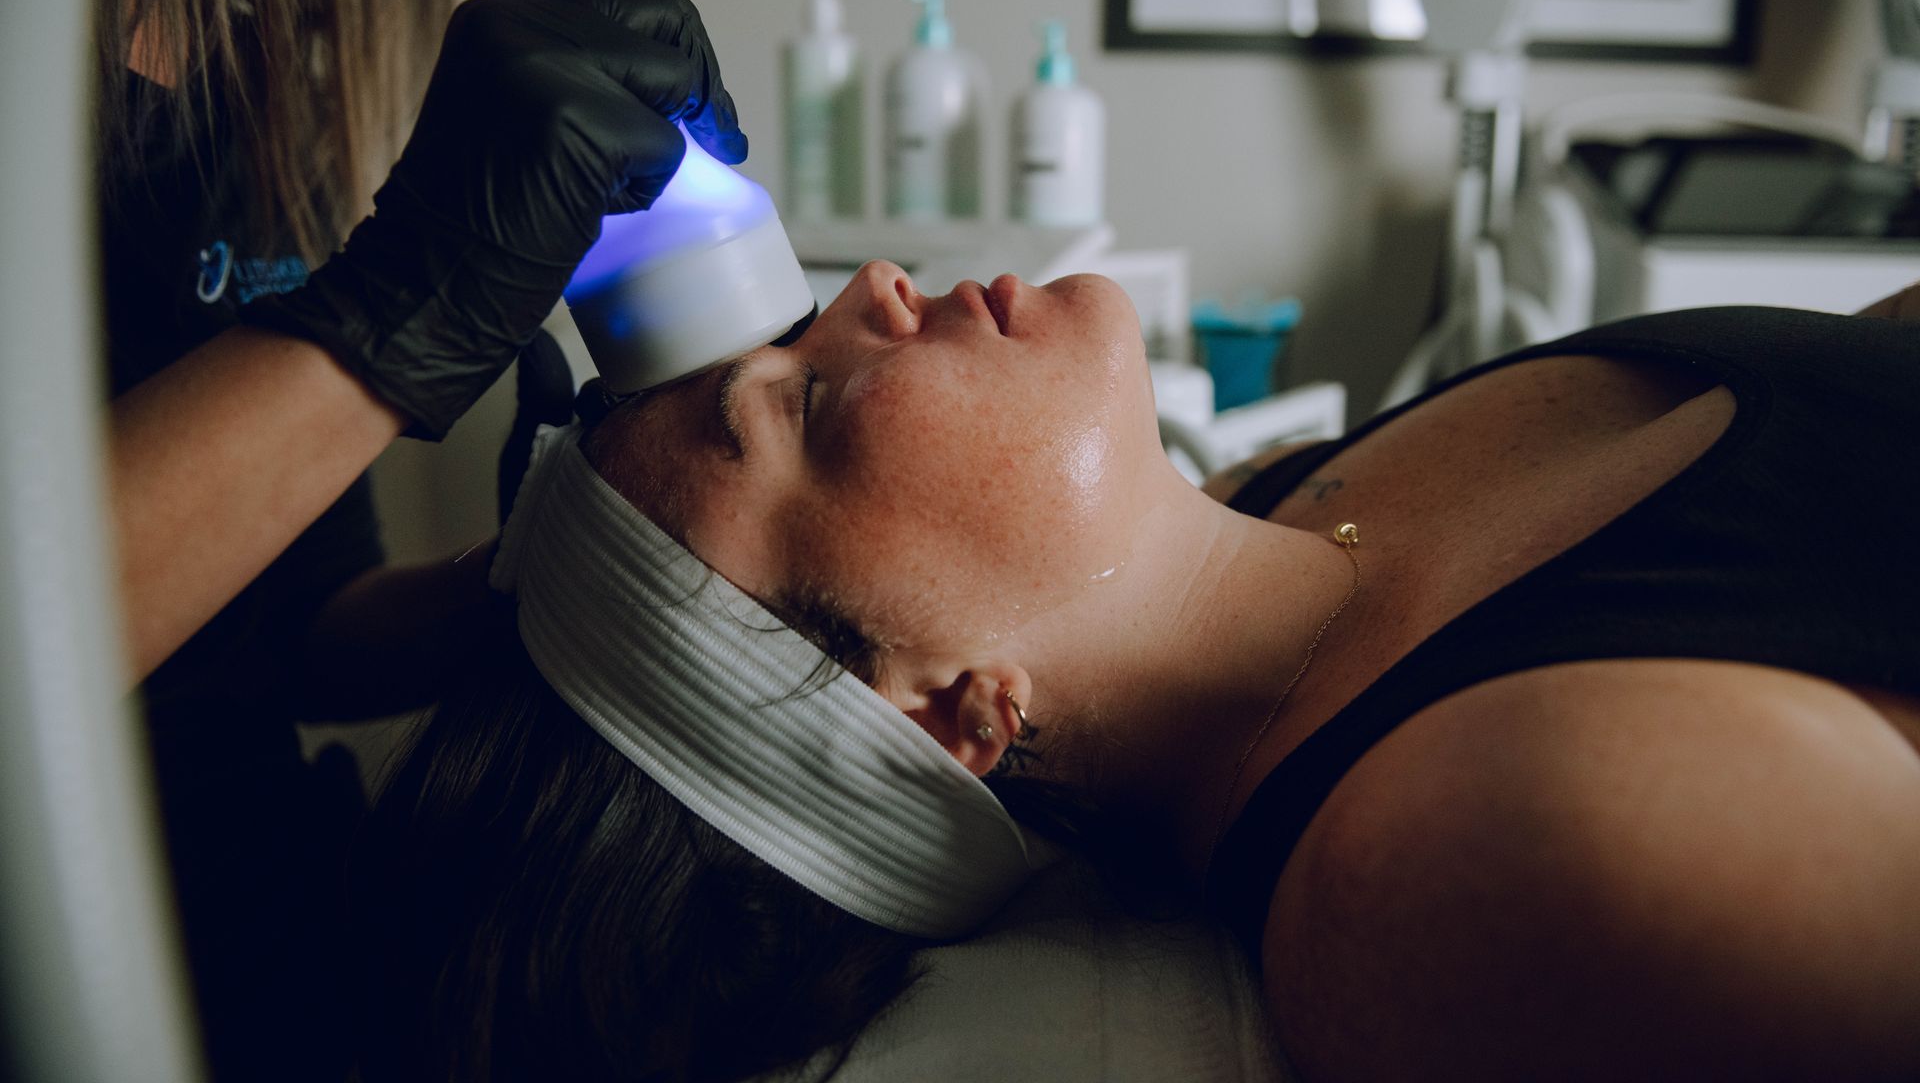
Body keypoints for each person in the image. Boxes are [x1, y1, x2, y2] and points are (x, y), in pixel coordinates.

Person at [355, 260, 1920, 1083]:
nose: (875, 286)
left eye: (797, 334)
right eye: (808, 406)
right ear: (948, 708)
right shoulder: (1464, 849)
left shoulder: (1306, 491)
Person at [97, 0, 745, 1076]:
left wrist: (540, 568)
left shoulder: (249, 92)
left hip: (242, 930)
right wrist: (404, 315)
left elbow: (300, 626)